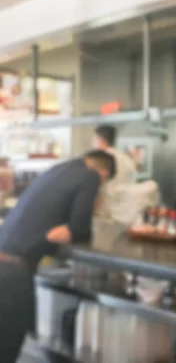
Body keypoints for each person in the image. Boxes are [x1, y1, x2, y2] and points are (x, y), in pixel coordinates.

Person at [0, 150, 115, 362]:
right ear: (103, 174)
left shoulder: (57, 170)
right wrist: (73, 227)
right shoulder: (90, 175)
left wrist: (66, 228)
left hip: (5, 263)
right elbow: (80, 228)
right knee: (6, 349)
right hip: (12, 274)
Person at [92, 125, 136, 224]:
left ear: (99, 139)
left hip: (104, 213)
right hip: (124, 213)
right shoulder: (126, 159)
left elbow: (96, 187)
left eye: (94, 139)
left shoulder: (100, 159)